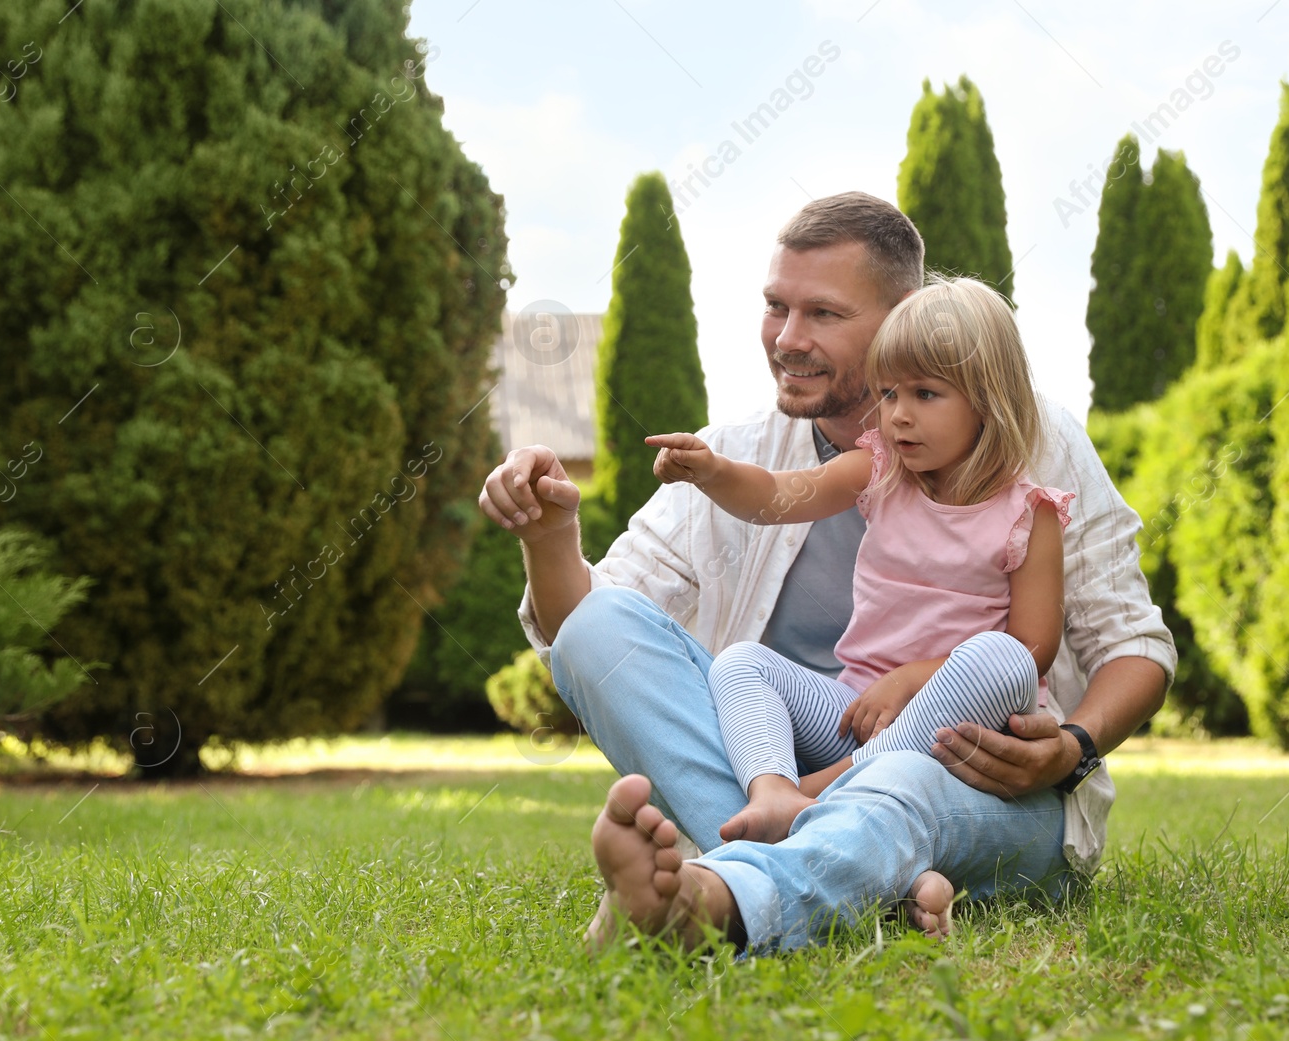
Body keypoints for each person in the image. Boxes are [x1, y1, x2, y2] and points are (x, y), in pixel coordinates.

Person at [479, 192, 1176, 951]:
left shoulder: (1034, 450)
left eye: (824, 314)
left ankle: (718, 893)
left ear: (909, 317)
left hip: (971, 777)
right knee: (604, 627)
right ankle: (792, 858)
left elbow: (1135, 646)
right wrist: (551, 536)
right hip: (792, 740)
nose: (787, 338)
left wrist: (1071, 744)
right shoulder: (749, 450)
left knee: (906, 778)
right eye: (776, 306)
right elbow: (589, 636)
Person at [645, 277, 1074, 860]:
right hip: (853, 708)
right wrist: (713, 471)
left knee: (1001, 660)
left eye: (925, 395)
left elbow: (1033, 647)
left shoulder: (1029, 513)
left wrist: (913, 678)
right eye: (889, 394)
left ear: (988, 398)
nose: (898, 416)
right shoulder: (880, 469)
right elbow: (776, 496)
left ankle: (814, 795)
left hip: (954, 730)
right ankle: (771, 789)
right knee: (742, 662)